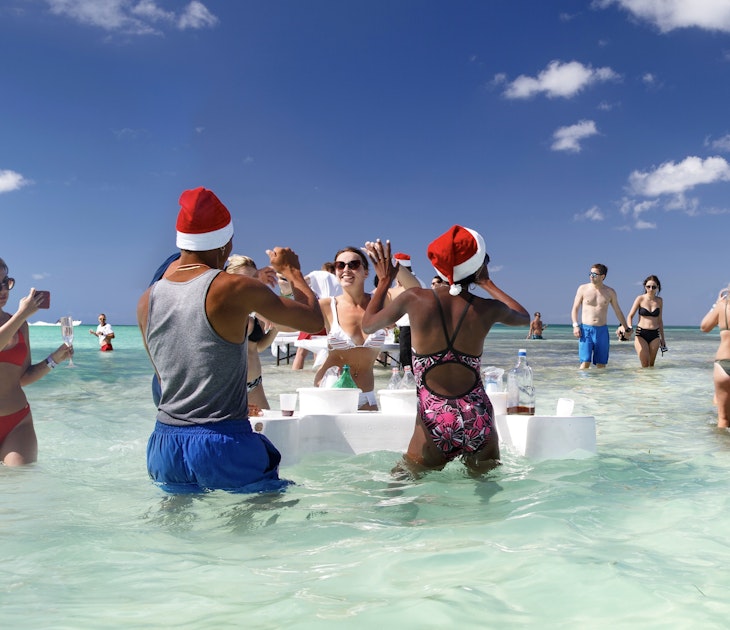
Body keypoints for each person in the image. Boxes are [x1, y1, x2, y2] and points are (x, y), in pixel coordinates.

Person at [137, 187, 323, 493]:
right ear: (227, 243)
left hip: (164, 446)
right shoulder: (233, 288)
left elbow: (162, 377)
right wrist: (292, 271)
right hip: (222, 442)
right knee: (264, 523)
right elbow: (313, 321)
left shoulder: (147, 300)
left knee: (176, 532)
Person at [362, 226, 530, 475]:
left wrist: (386, 280)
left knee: (402, 484)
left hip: (435, 416)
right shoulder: (487, 308)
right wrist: (486, 282)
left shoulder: (415, 299)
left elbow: (369, 324)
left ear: (437, 266)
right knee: (488, 498)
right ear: (479, 266)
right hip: (478, 415)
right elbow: (524, 318)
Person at [313, 246, 419, 410]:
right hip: (330, 391)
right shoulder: (327, 305)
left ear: (366, 272)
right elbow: (289, 317)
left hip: (366, 394)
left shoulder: (381, 301)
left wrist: (390, 262)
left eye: (353, 264)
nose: (346, 269)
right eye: (340, 265)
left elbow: (414, 289)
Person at [0, 258, 73, 465]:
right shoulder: (19, 320)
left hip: (17, 421)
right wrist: (22, 314)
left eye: (7, 282)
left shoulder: (20, 326)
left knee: (22, 488)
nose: (3, 289)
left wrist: (54, 359)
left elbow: (22, 377)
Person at [225, 254, 279, 409]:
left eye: (255, 277)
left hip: (256, 383)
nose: (251, 283)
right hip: (233, 388)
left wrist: (275, 329)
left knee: (267, 430)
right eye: (245, 278)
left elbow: (257, 347)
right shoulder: (224, 310)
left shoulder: (256, 310)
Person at [570, 263, 631, 369]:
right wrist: (575, 325)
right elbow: (575, 308)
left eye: (595, 274)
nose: (591, 276)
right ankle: (582, 385)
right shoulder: (583, 289)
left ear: (603, 276)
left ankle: (599, 386)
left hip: (602, 331)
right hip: (586, 330)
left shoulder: (610, 292)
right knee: (585, 362)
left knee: (601, 364)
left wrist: (626, 328)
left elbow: (618, 311)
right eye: (590, 273)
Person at [291, 263, 342, 370]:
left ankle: (295, 376)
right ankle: (318, 373)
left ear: (324, 268)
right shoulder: (339, 281)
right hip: (331, 316)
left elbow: (301, 282)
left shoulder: (317, 274)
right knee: (322, 348)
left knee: (301, 351)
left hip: (315, 314)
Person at [389, 252, 426, 370]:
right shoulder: (419, 281)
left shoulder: (411, 284)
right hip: (417, 327)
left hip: (408, 327)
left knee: (407, 361)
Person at [700, 286, 730, 428]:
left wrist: (716, 305)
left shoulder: (722, 307)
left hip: (723, 365)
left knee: (723, 419)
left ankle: (721, 450)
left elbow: (704, 327)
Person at [626, 276, 666, 367]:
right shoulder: (640, 298)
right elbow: (630, 316)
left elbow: (660, 320)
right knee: (645, 364)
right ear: (645, 287)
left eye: (654, 287)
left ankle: (651, 381)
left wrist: (663, 339)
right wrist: (630, 328)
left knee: (651, 366)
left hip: (655, 334)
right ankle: (640, 380)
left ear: (657, 288)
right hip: (641, 334)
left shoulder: (659, 301)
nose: (651, 289)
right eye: (648, 286)